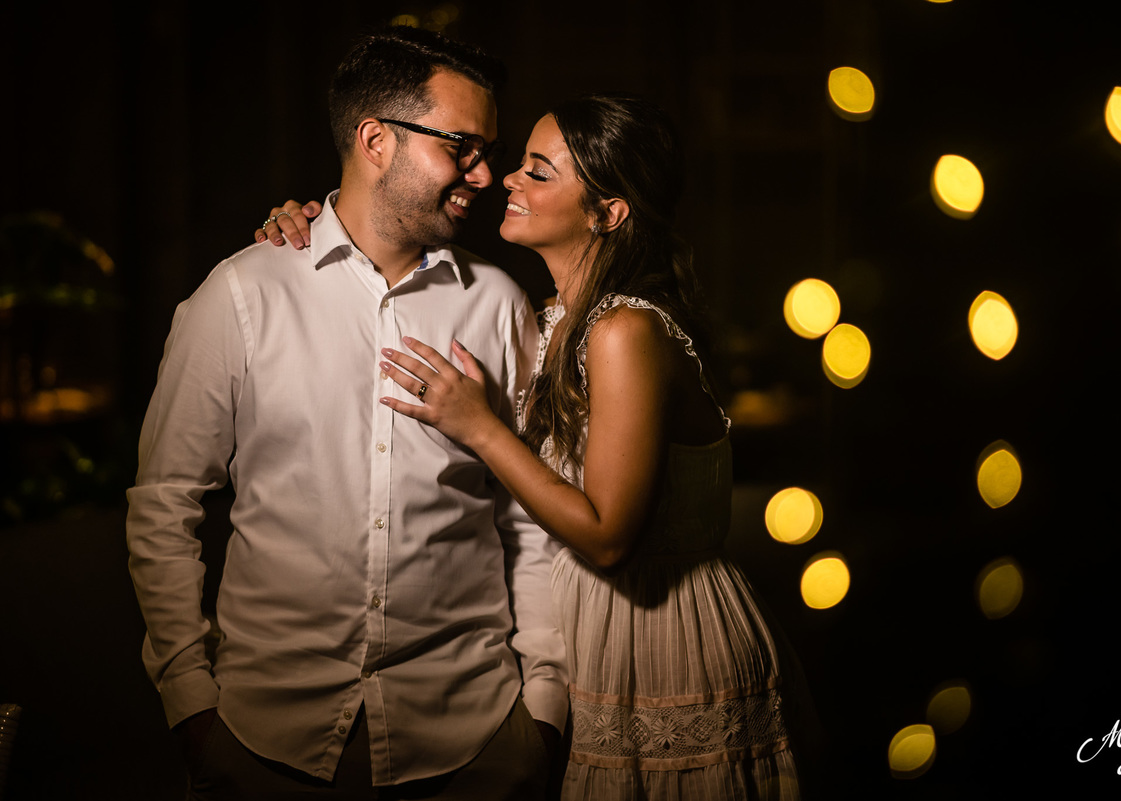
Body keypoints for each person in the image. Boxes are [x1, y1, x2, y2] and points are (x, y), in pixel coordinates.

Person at [265, 94, 801, 799]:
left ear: (607, 213)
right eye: (520, 163)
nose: (507, 179)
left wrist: (478, 424)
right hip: (594, 645)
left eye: (538, 172)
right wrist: (311, 223)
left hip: (665, 641)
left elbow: (608, 537)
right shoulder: (546, 321)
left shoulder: (624, 334)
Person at [127, 26, 567, 799]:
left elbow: (528, 520)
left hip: (474, 739)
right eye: (462, 146)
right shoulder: (242, 293)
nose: (486, 173)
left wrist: (545, 711)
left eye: (487, 150)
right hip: (263, 742)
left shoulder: (498, 306)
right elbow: (164, 507)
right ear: (375, 139)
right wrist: (192, 708)